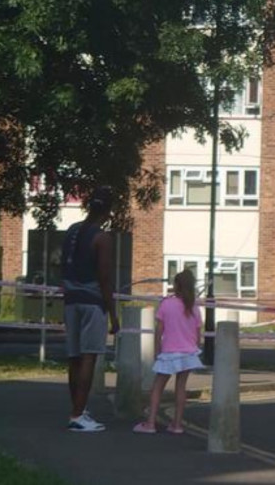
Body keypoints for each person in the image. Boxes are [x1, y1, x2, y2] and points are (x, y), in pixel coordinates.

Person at [61, 186, 119, 432]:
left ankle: (77, 409)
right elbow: (105, 278)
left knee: (74, 358)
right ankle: (77, 416)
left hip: (71, 300)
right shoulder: (102, 237)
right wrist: (113, 314)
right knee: (89, 357)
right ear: (107, 211)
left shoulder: (72, 231)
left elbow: (62, 264)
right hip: (92, 302)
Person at [133, 269, 202, 434]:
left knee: (158, 386)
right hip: (188, 352)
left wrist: (157, 349)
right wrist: (195, 347)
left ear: (176, 286)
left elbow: (159, 330)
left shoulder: (166, 304)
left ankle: (150, 424)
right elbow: (198, 333)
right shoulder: (194, 307)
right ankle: (177, 425)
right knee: (181, 388)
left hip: (169, 351)